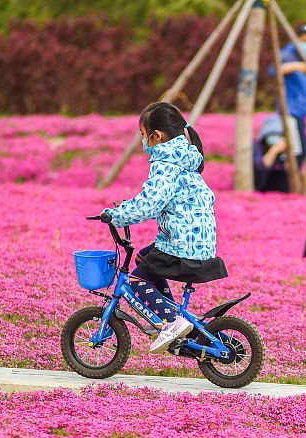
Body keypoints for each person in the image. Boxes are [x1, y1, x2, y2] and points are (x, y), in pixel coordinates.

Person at [103, 102, 228, 354]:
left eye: (143, 135)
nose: (143, 141)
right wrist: (129, 206)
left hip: (181, 248)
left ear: (156, 136)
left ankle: (172, 321)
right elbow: (161, 198)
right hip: (198, 246)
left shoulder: (165, 164)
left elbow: (149, 204)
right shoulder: (186, 158)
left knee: (136, 280)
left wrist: (116, 216)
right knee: (145, 257)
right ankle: (172, 316)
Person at [271, 22, 306, 167]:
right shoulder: (287, 55)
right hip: (289, 110)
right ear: (297, 39)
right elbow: (274, 71)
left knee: (301, 152)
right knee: (296, 153)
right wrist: (296, 67)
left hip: (301, 111)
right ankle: (282, 186)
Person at [253, 113, 292, 193]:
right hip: (259, 183)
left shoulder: (284, 147)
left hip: (275, 187)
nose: (275, 137)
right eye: (272, 134)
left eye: (279, 135)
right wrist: (274, 150)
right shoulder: (256, 146)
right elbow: (263, 166)